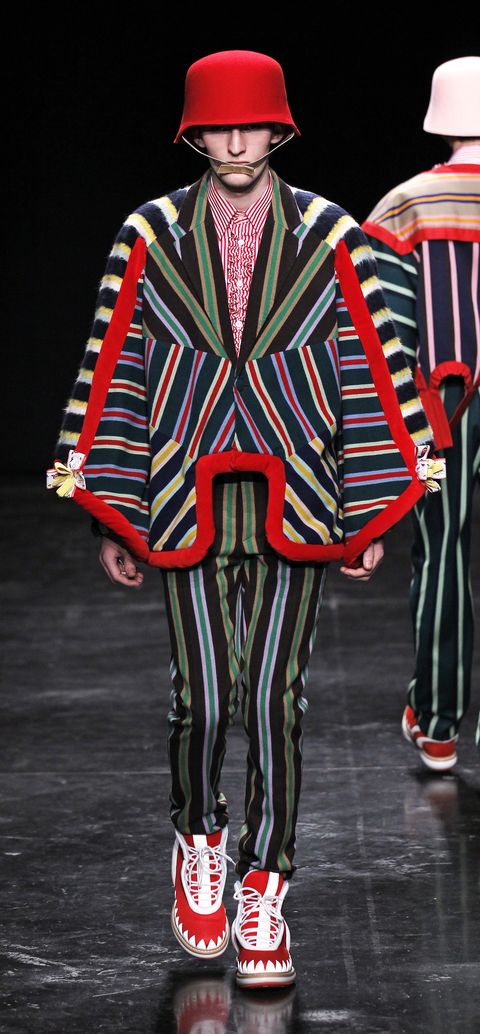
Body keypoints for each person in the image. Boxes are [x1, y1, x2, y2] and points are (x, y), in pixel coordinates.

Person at [48, 50, 439, 988]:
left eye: (250, 124)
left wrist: (365, 510)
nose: (234, 141)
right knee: (202, 698)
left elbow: (368, 361)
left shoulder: (329, 233)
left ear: (278, 128)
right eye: (217, 126)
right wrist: (115, 514)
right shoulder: (150, 232)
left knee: (274, 700)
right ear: (194, 132)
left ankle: (265, 883)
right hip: (183, 493)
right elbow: (118, 362)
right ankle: (199, 836)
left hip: (298, 495)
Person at [363, 56, 480, 774]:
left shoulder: (405, 206)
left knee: (442, 552)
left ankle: (438, 725)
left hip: (444, 411)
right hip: (449, 405)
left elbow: (389, 338)